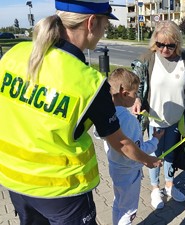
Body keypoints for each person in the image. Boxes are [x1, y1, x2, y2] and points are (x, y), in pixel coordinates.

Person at [0, 1, 162, 225]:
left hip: (14, 182)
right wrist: (149, 160)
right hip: (62, 192)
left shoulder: (13, 55)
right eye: (105, 26)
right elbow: (121, 143)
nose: (103, 33)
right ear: (91, 23)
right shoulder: (89, 82)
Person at [131, 20, 185, 209]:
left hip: (177, 119)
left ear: (177, 43)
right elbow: (136, 84)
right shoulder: (147, 59)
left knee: (171, 154)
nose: (165, 49)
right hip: (155, 119)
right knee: (155, 154)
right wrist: (137, 99)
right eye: (160, 44)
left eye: (170, 45)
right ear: (155, 42)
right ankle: (155, 188)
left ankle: (169, 185)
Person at [102, 68, 164, 225]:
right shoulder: (129, 120)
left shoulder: (107, 114)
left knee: (119, 203)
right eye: (135, 93)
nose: (137, 96)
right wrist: (155, 140)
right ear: (124, 91)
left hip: (115, 167)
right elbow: (138, 149)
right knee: (129, 211)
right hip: (129, 172)